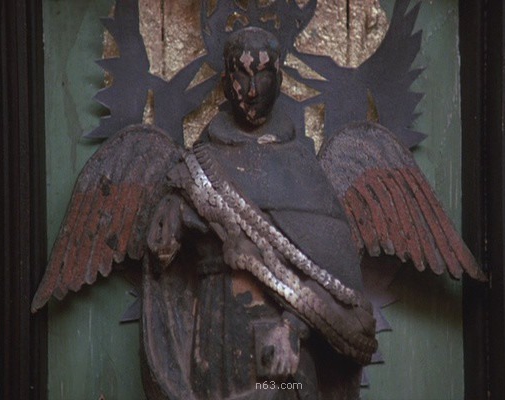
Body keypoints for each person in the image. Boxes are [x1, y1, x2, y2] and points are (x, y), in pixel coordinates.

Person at [144, 26, 375, 400]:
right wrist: (171, 215)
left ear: (279, 78)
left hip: (280, 352)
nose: (252, 90)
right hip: (217, 341)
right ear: (226, 81)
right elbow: (166, 262)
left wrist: (294, 327)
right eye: (242, 74)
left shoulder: (303, 170)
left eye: (263, 73)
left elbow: (336, 278)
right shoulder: (198, 169)